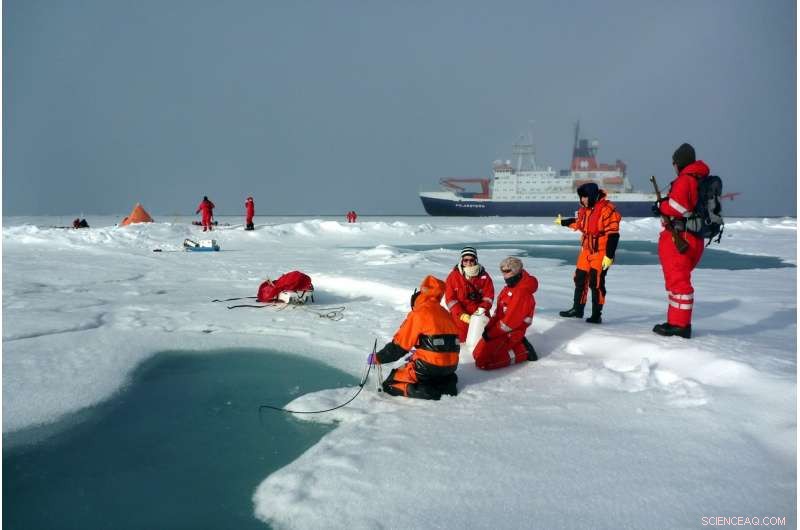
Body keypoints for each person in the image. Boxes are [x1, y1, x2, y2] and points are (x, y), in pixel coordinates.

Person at [652, 143, 711, 339]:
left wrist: (662, 206)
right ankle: (675, 321)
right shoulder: (699, 178)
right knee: (678, 282)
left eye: (674, 162)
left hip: (681, 238)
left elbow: (678, 206)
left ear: (680, 162)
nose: (673, 166)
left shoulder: (685, 180)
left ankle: (679, 325)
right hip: (693, 238)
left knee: (679, 283)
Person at [367, 275, 460, 400]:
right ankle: (446, 384)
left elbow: (399, 346)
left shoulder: (419, 313)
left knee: (390, 383)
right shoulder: (445, 313)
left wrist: (378, 357)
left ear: (416, 300)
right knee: (437, 374)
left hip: (428, 367)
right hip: (451, 367)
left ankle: (425, 391)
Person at [555, 182, 621, 324]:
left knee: (595, 282)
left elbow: (613, 234)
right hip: (586, 250)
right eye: (581, 197)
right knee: (579, 278)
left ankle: (596, 315)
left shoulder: (607, 210)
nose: (582, 200)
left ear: (591, 196)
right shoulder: (585, 210)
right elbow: (578, 223)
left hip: (601, 252)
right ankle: (577, 309)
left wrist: (609, 256)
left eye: (585, 197)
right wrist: (563, 222)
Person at [472, 257, 538, 370]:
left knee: (483, 363)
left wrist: (491, 334)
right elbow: (498, 313)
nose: (504, 274)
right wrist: (488, 327)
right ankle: (516, 345)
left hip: (513, 332)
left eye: (507, 271)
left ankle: (524, 351)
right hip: (500, 330)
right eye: (502, 271)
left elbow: (508, 323)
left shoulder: (521, 293)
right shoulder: (509, 288)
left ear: (516, 271)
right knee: (476, 354)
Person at [444, 246, 495, 342]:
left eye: (471, 260)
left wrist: (481, 310)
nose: (468, 263)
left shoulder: (484, 276)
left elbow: (488, 297)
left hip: (480, 314)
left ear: (476, 260)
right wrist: (462, 315)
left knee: (484, 340)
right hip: (460, 315)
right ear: (461, 261)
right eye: (465, 260)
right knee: (460, 341)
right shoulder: (453, 276)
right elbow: (450, 300)